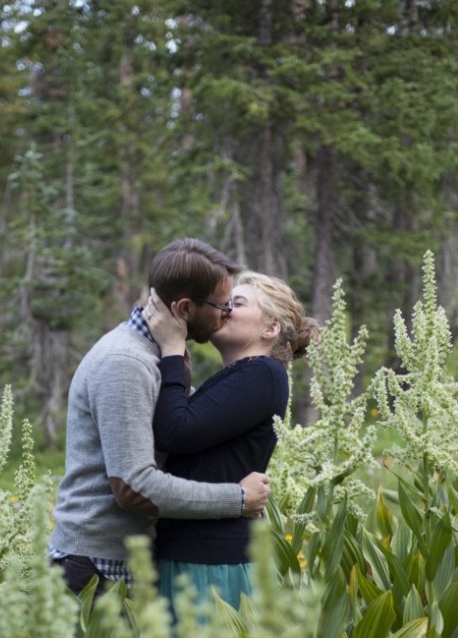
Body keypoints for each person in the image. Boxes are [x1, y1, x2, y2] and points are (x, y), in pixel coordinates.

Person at [49, 239, 271, 596]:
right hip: (96, 569)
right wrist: (238, 499)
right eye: (220, 305)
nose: (226, 313)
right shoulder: (127, 362)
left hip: (120, 562)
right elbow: (134, 487)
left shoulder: (159, 356)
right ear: (184, 308)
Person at [145, 270, 317, 611]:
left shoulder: (261, 373)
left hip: (208, 564)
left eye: (236, 303)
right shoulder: (243, 376)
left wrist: (172, 348)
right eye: (225, 302)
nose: (224, 309)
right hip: (198, 554)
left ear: (270, 329)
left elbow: (174, 431)